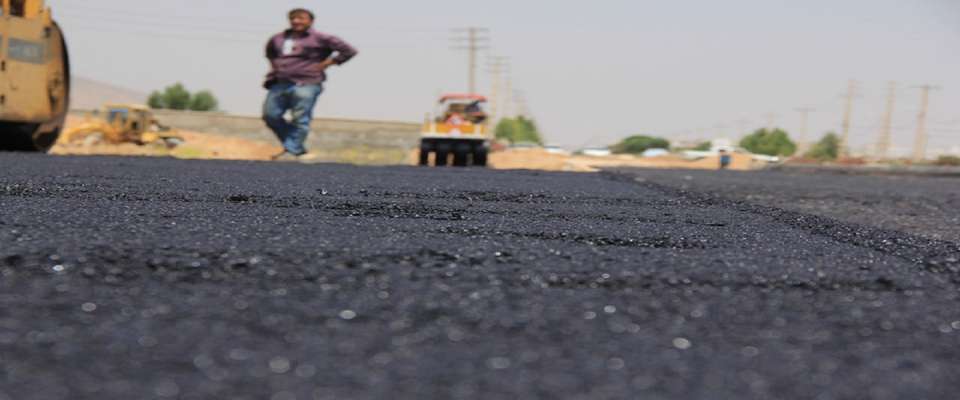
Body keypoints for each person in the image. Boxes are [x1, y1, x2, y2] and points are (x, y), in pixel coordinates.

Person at [262, 8, 358, 161]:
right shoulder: (278, 38)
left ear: (310, 21)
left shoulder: (321, 38)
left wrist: (328, 63)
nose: (296, 21)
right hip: (280, 82)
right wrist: (277, 68)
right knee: (270, 115)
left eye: (301, 18)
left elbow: (348, 51)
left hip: (307, 82)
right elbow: (270, 54)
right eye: (293, 18)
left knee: (300, 118)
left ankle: (292, 150)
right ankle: (296, 148)